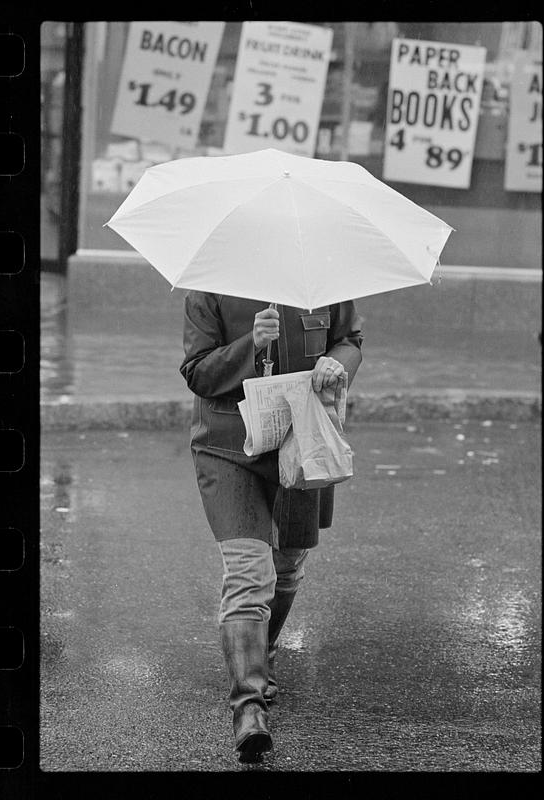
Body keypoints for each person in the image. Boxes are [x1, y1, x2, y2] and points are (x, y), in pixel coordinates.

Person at [180, 292, 363, 762]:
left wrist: (335, 364)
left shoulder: (323, 275)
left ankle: (262, 650)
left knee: (286, 567)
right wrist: (250, 343)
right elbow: (198, 372)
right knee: (248, 573)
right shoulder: (209, 285)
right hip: (227, 448)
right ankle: (249, 708)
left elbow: (350, 339)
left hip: (301, 440)